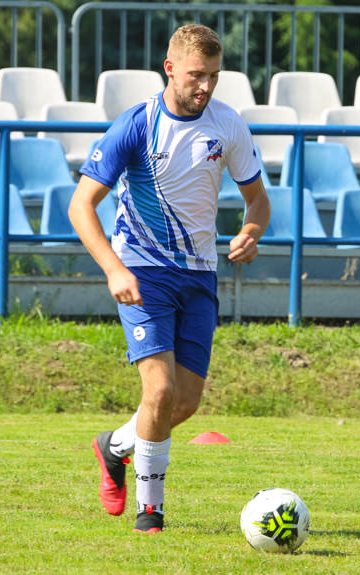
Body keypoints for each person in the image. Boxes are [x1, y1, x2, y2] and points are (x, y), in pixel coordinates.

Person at [68, 24, 270, 534]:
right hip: (142, 270)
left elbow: (258, 199)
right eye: (197, 76)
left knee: (184, 402)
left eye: (215, 77)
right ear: (171, 68)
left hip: (199, 274)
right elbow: (81, 205)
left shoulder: (228, 126)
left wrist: (251, 230)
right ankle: (150, 511)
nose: (205, 87)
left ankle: (113, 446)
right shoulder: (136, 125)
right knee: (157, 392)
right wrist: (114, 269)